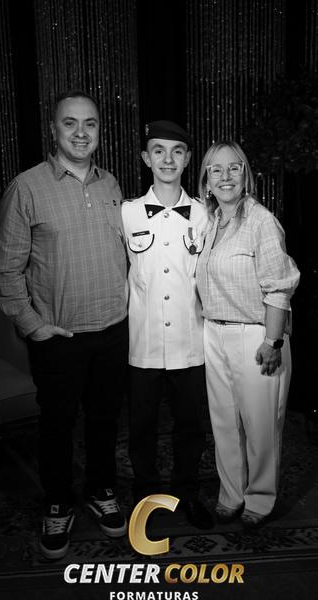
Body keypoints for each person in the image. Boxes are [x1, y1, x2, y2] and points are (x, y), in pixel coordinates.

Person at [0, 90, 129, 560]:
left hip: (113, 330)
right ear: (54, 130)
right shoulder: (27, 188)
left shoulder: (112, 185)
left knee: (105, 421)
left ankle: (101, 490)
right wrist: (33, 326)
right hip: (58, 337)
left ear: (99, 131)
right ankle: (57, 503)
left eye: (90, 123)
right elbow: (6, 270)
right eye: (70, 123)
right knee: (56, 426)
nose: (80, 132)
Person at [195, 141, 300, 529]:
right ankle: (231, 493)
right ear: (206, 181)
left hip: (256, 336)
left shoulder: (261, 221)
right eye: (216, 170)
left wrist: (272, 342)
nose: (225, 177)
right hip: (214, 333)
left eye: (234, 168)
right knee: (224, 423)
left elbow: (280, 287)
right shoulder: (210, 223)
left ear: (246, 175)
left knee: (260, 426)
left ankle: (260, 498)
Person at [122, 120, 213, 530]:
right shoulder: (126, 213)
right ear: (146, 158)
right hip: (142, 342)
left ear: (188, 159)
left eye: (177, 151)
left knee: (190, 426)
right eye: (158, 150)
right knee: (141, 426)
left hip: (190, 341)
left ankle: (187, 492)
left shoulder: (205, 214)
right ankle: (145, 494)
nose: (168, 159)